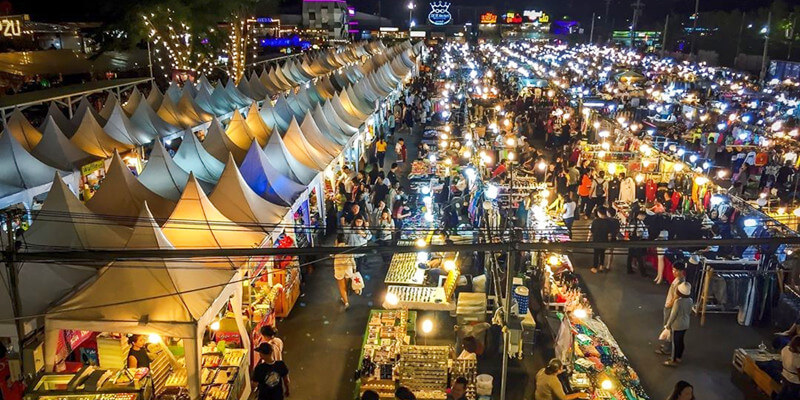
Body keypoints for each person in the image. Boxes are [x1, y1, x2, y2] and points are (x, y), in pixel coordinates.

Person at [663, 282, 693, 367]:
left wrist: (668, 325)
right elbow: (689, 311)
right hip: (686, 323)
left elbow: (673, 315)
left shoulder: (678, 302)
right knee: (681, 341)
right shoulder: (690, 300)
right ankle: (679, 357)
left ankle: (673, 360)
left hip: (677, 325)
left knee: (675, 343)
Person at [333, 234, 356, 308]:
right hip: (348, 269)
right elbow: (352, 259)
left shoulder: (335, 249)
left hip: (339, 269)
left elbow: (331, 255)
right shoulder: (349, 248)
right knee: (346, 285)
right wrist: (354, 269)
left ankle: (346, 302)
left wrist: (335, 245)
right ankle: (344, 297)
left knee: (341, 286)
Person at [625, 211, 649, 276]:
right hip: (637, 240)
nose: (644, 218)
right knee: (639, 256)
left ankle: (629, 269)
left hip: (632, 240)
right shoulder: (638, 222)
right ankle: (643, 272)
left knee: (630, 255)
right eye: (644, 216)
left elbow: (629, 230)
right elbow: (640, 232)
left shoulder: (632, 221)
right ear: (641, 215)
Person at [589, 207, 609, 274]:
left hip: (596, 240)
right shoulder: (608, 221)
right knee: (602, 253)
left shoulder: (595, 221)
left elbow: (591, 231)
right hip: (604, 240)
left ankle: (595, 267)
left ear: (599, 213)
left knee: (596, 254)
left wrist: (588, 238)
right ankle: (601, 266)